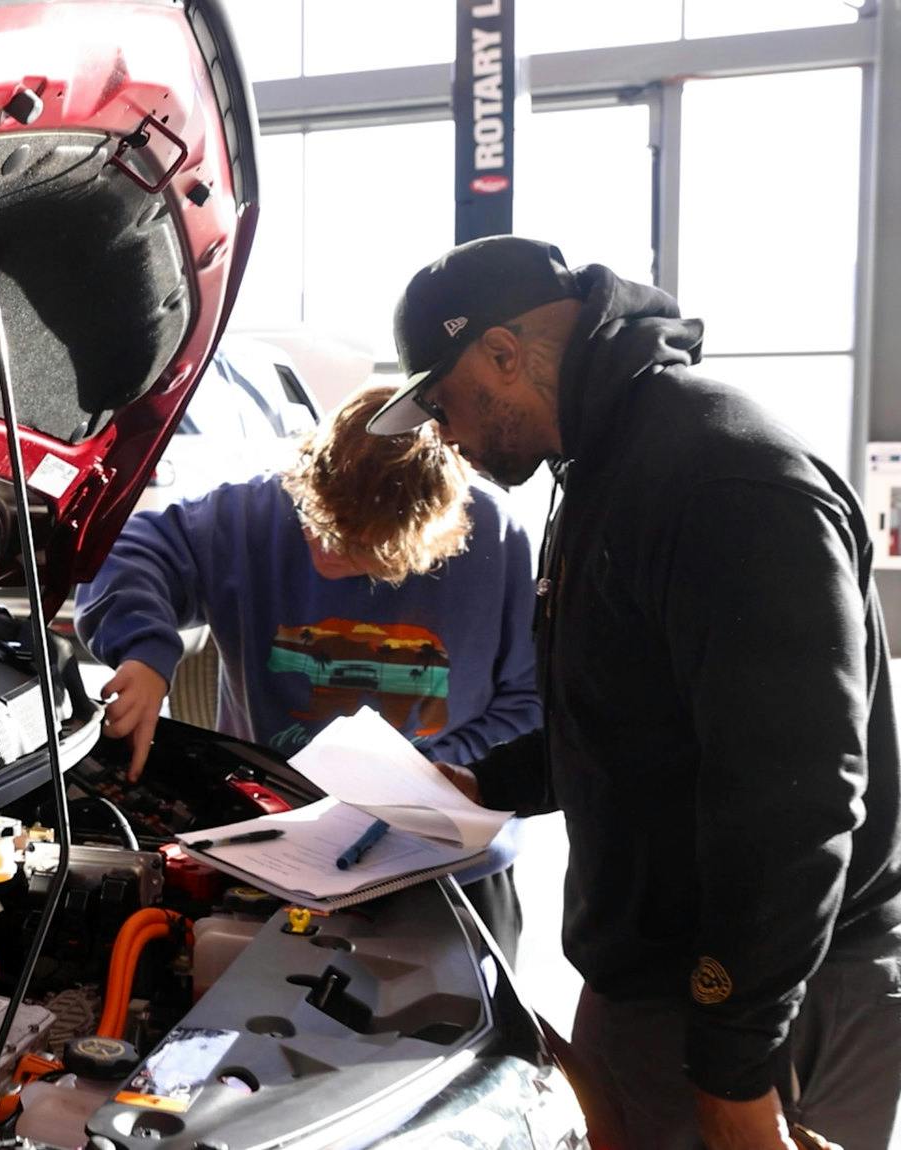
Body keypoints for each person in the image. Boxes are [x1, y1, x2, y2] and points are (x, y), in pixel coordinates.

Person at [372, 235, 901, 1150]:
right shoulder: (606, 468)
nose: (444, 434)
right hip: (666, 984)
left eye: (443, 401)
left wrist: (736, 1073)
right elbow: (630, 709)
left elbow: (793, 796)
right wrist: (488, 782)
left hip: (765, 992)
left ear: (503, 352)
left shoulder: (721, 479)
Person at [75, 382, 542, 957]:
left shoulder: (497, 539)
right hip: (276, 842)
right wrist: (145, 653)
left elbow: (532, 705)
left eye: (352, 546)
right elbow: (129, 552)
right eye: (318, 524)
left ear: (423, 543)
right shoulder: (252, 513)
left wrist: (445, 771)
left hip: (447, 860)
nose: (324, 551)